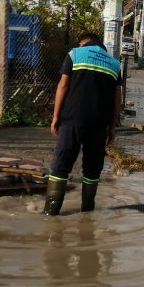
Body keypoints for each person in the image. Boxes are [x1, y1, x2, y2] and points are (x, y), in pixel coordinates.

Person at [44, 32, 123, 215]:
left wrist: (55, 116)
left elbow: (63, 86)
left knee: (61, 165)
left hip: (73, 119)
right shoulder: (114, 64)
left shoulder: (75, 54)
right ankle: (87, 213)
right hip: (99, 124)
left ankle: (51, 212)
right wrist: (112, 127)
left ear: (83, 43)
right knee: (92, 169)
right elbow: (117, 100)